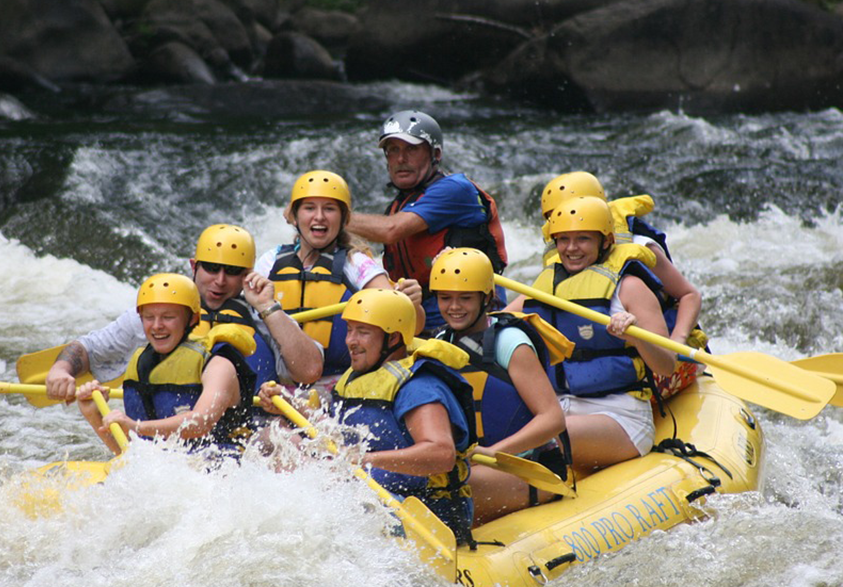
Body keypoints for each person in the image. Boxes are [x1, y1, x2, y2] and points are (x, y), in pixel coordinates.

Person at [259, 288, 477, 545]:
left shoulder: (419, 387)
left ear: (393, 338)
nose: (350, 340)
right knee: (276, 444)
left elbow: (441, 454)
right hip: (378, 497)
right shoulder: (359, 378)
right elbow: (339, 433)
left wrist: (366, 460)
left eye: (362, 332)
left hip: (425, 513)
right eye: (350, 330)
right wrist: (291, 405)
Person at [45, 224, 323, 403]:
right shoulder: (161, 314)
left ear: (248, 275)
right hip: (171, 437)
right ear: (194, 267)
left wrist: (268, 308)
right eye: (211, 268)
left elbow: (309, 371)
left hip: (246, 435)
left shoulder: (263, 314)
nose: (220, 280)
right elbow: (88, 348)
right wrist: (61, 369)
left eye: (233, 272)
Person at [507, 197, 676, 478]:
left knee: (545, 437)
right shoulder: (544, 287)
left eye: (583, 239)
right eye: (563, 240)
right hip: (556, 407)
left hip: (620, 415)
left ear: (606, 241)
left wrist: (638, 338)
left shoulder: (631, 288)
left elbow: (666, 365)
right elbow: (491, 323)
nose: (571, 248)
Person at [429, 248, 568, 525]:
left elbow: (553, 418)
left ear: (487, 298)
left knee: (448, 493)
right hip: (474, 465)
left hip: (530, 468)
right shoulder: (440, 342)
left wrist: (495, 452)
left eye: (465, 298)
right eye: (445, 298)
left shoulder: (510, 342)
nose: (454, 307)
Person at [539, 171, 705, 398]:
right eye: (552, 218)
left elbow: (689, 295)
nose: (561, 221)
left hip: (660, 348)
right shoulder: (566, 254)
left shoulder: (639, 247)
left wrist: (677, 342)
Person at [256, 169, 423, 389]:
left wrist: (412, 303)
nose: (319, 216)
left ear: (344, 219)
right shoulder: (270, 262)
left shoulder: (356, 265)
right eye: (309, 208)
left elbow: (413, 324)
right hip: (276, 390)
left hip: (340, 388)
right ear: (294, 216)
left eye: (329, 209)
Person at [347, 110, 508, 333]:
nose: (401, 159)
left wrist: (329, 214)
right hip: (419, 314)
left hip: (467, 314)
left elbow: (391, 230)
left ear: (436, 154)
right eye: (393, 150)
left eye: (411, 149)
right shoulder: (398, 206)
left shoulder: (455, 189)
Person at [76, 273, 256, 455]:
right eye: (149, 317)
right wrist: (93, 414)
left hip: (225, 469)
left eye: (168, 317)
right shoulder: (141, 364)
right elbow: (130, 455)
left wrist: (135, 426)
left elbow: (202, 422)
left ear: (192, 319)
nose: (157, 326)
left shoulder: (218, 364)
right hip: (173, 473)